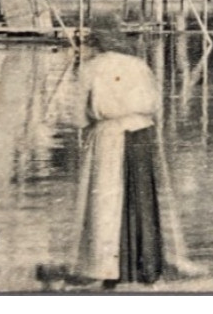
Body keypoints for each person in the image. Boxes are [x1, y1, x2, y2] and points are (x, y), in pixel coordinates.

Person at [71, 33, 187, 287]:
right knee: (141, 198)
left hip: (109, 134)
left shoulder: (90, 68)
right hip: (141, 133)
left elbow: (77, 117)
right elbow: (156, 103)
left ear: (94, 44)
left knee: (108, 202)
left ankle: (109, 269)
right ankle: (147, 267)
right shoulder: (138, 64)